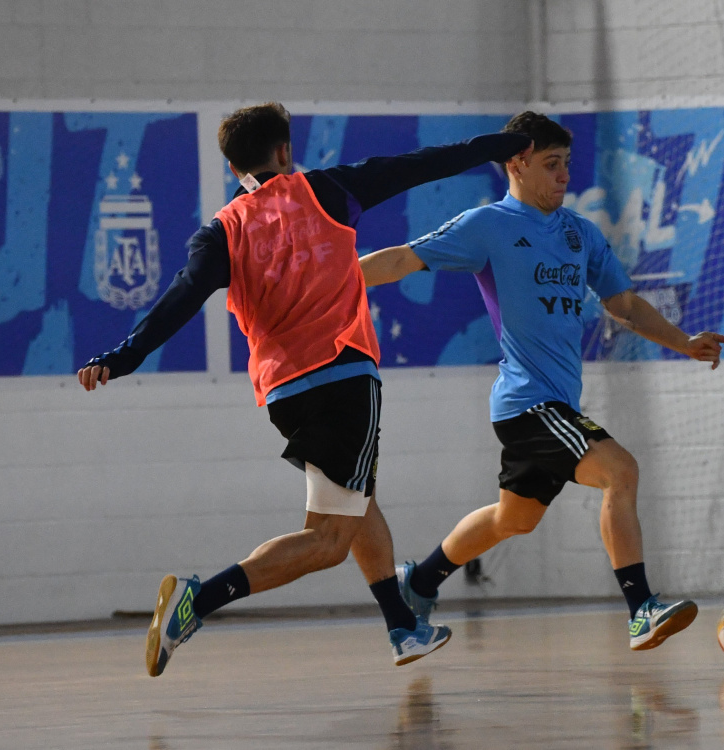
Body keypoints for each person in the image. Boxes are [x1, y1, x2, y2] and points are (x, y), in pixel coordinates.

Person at [77, 102, 531, 676]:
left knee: (356, 500)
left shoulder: (221, 231)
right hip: (343, 377)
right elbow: (424, 164)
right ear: (285, 151)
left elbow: (178, 301)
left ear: (233, 165)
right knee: (328, 540)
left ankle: (402, 627)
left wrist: (122, 357)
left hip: (285, 394)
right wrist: (503, 145)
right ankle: (197, 602)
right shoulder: (329, 191)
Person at [360, 111, 724, 651]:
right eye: (552, 165)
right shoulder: (488, 226)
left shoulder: (579, 233)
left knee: (514, 519)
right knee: (620, 471)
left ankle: (418, 583)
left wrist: (683, 341)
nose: (565, 176)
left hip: (553, 404)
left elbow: (624, 305)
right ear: (517, 164)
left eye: (567, 164)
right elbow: (400, 261)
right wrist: (327, 280)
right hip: (528, 403)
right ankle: (641, 610)